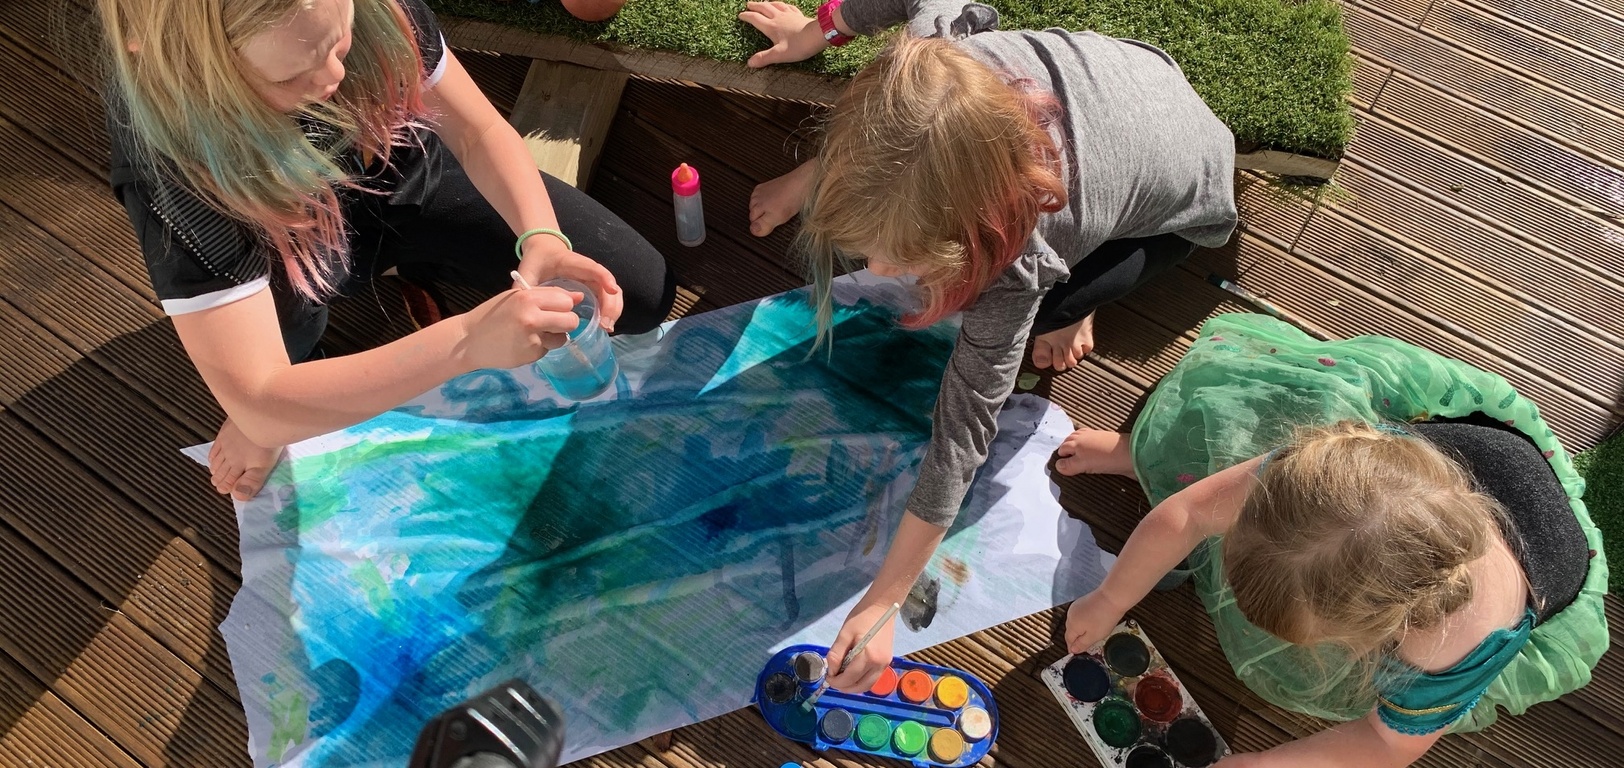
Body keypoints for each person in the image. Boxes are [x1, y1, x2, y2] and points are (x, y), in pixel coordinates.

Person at [737, 0, 1238, 690]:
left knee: (1044, 309)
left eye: (904, 259)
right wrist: (817, 30)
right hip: (1126, 88)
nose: (878, 275)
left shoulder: (1019, 260)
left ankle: (1073, 304)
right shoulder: (934, 64)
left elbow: (965, 431)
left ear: (975, 240)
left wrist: (884, 597)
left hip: (1182, 199)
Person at [99, 0, 675, 501]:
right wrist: (467, 342)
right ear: (199, 67)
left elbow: (476, 131)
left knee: (643, 293)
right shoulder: (171, 169)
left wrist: (541, 237)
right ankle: (299, 358)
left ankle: (408, 268)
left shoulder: (374, 11)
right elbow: (260, 394)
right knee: (272, 384)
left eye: (340, 38)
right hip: (280, 244)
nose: (333, 74)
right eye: (293, 74)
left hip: (403, 169)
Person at [1057, 313, 1608, 766]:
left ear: (1381, 629)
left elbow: (1387, 743)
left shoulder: (1451, 646)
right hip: (1474, 452)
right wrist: (1111, 597)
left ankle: (1154, 461)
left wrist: (1262, 764)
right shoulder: (1325, 480)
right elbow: (1188, 515)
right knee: (1216, 439)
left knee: (1306, 683)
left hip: (1545, 557)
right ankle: (1144, 455)